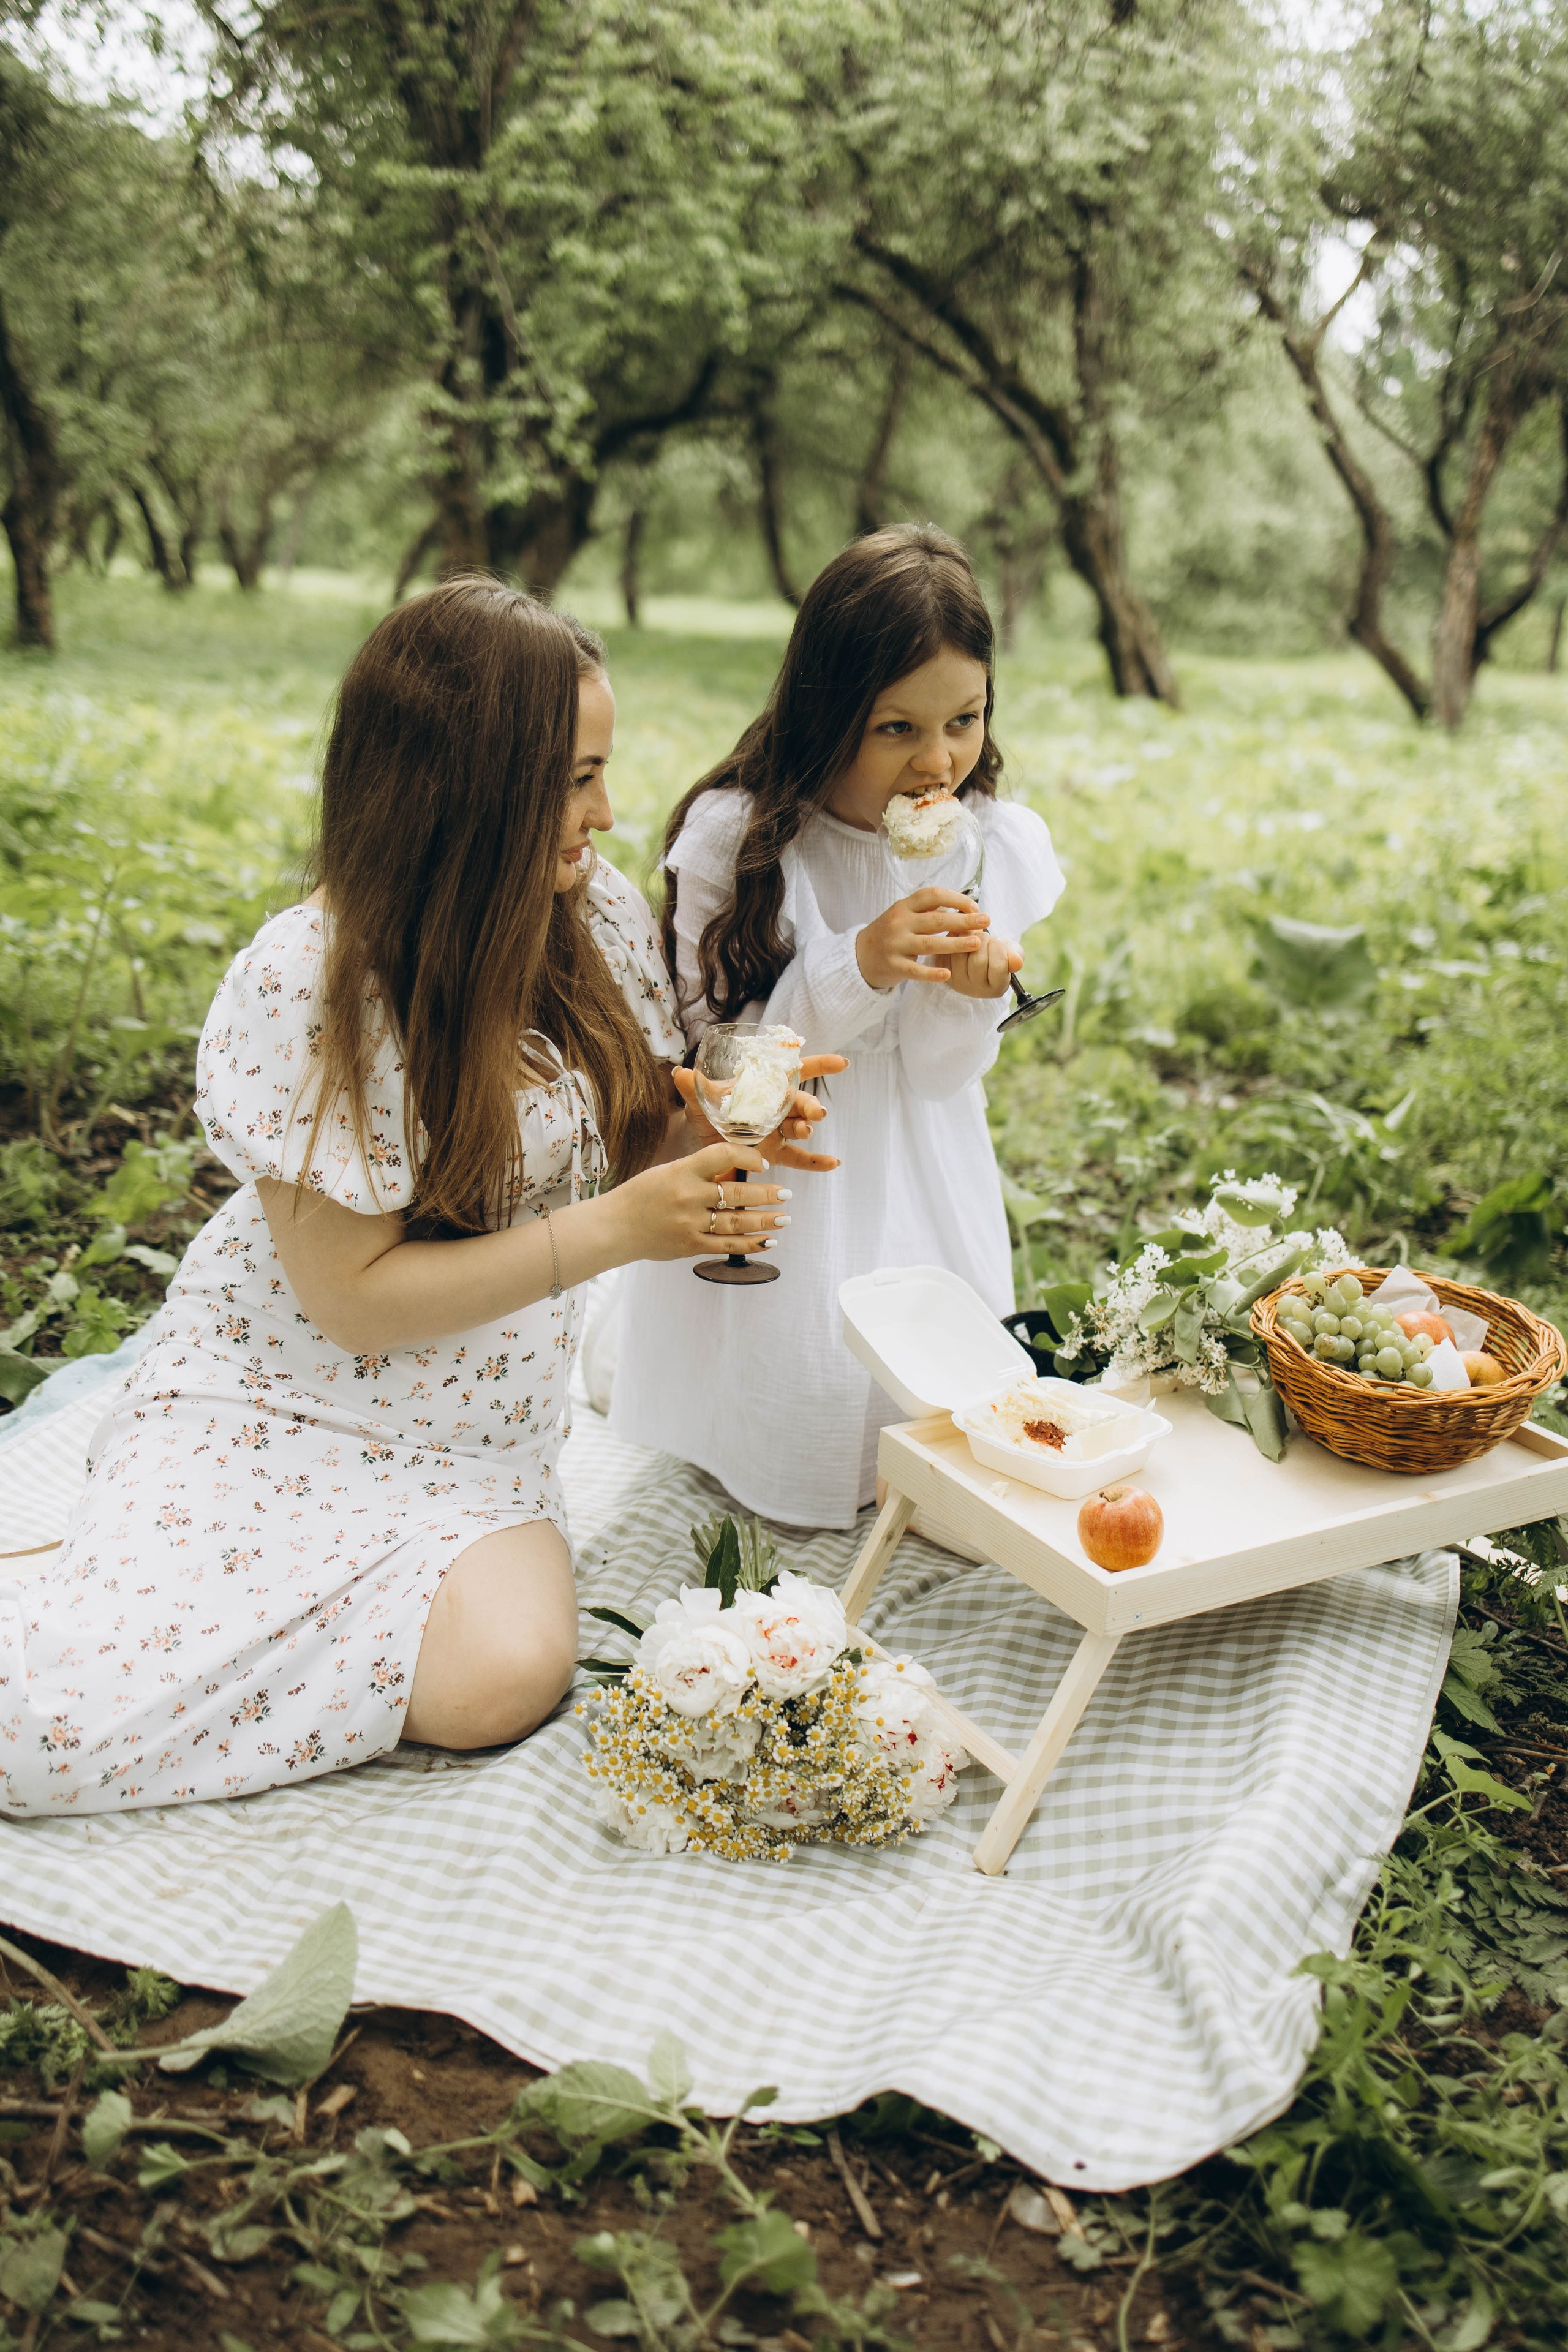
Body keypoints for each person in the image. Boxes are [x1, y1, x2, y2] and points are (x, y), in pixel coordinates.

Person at [0, 580, 839, 1817]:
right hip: (287, 1396)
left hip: (475, 1433)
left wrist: (707, 1123)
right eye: (572, 780)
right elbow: (352, 1305)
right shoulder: (318, 978)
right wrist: (615, 1230)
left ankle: (137, 1573)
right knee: (46, 1736)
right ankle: (119, 1554)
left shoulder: (586, 912)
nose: (607, 815)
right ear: (466, 783)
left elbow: (623, 1141)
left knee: (504, 1677)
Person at [611, 525, 1065, 1529]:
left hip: (921, 1161)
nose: (938, 762)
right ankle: (771, 1456)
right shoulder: (744, 838)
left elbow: (944, 1076)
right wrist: (856, 964)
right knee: (800, 1370)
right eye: (896, 728)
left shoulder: (985, 843)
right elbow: (717, 1054)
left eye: (966, 720)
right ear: (827, 713)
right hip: (787, 1168)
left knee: (921, 1393)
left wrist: (969, 994)